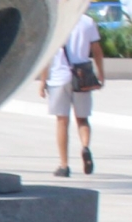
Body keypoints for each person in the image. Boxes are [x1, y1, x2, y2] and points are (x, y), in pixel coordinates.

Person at [38, 9, 104, 178]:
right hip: (81, 76)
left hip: (59, 77)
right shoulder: (87, 22)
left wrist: (43, 81)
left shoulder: (56, 21)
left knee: (62, 121)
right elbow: (96, 49)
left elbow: (48, 54)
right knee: (82, 119)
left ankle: (64, 165)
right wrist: (101, 73)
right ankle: (85, 146)